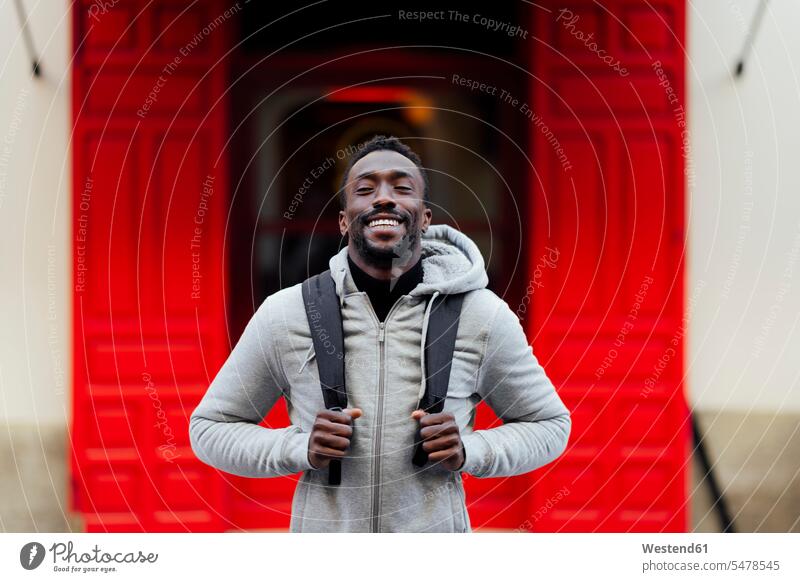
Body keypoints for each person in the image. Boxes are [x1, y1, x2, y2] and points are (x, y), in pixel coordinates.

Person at [189, 135, 571, 532]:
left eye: (402, 188)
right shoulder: (286, 314)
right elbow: (210, 429)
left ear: (424, 217)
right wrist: (299, 447)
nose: (384, 198)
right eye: (365, 189)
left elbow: (549, 425)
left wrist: (470, 450)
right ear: (343, 219)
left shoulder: (483, 315)